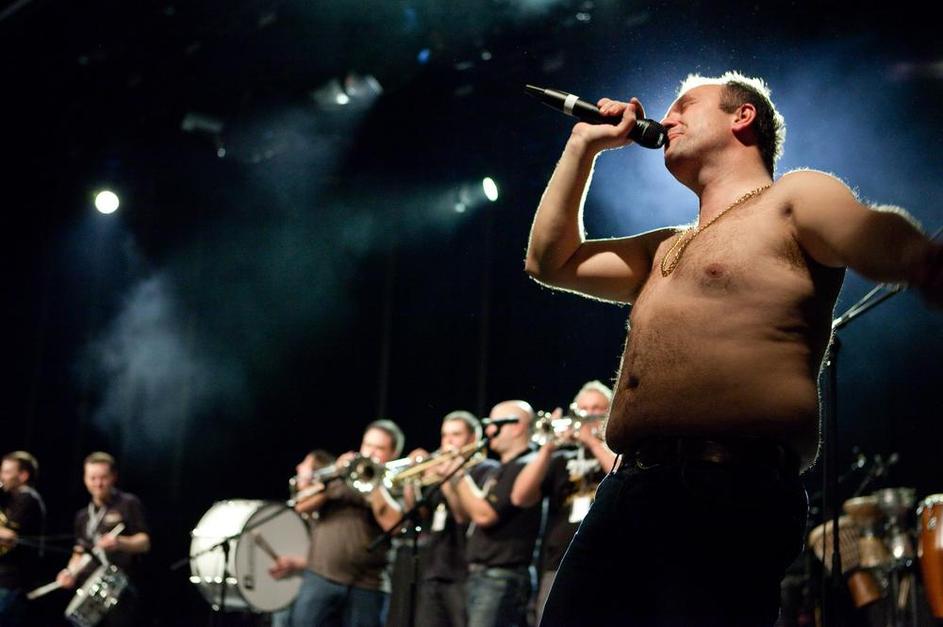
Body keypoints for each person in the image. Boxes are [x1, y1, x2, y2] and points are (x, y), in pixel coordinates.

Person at [524, 71, 942, 626]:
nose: (666, 117)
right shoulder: (664, 247)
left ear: (742, 117)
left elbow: (865, 229)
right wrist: (584, 144)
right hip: (626, 489)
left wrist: (921, 260)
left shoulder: (792, 197)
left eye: (685, 105)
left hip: (728, 485)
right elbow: (548, 262)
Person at [269, 420, 405, 627]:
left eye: (379, 448)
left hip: (368, 587)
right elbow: (301, 506)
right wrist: (335, 474)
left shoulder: (395, 485)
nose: (370, 453)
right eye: (368, 445)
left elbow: (395, 526)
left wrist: (374, 485)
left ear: (393, 453)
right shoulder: (341, 478)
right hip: (321, 578)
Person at [447, 400, 567, 627]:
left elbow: (485, 516)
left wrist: (460, 474)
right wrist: (449, 479)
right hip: (480, 575)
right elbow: (464, 516)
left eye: (494, 424)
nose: (488, 431)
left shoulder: (528, 464)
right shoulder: (501, 467)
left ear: (517, 427)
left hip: (501, 577)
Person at [527, 381, 615, 624]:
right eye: (582, 409)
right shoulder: (560, 458)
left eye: (596, 408)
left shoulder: (620, 453)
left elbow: (618, 473)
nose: (587, 415)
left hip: (606, 559)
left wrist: (594, 443)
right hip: (558, 561)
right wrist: (547, 449)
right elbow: (521, 496)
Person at [398, 410, 497, 627]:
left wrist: (448, 478)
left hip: (463, 571)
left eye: (456, 435)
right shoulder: (439, 472)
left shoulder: (486, 469)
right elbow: (418, 513)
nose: (448, 441)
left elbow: (463, 517)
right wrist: (410, 480)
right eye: (445, 435)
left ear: (473, 438)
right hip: (433, 568)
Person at [56, 452, 150, 627]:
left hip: (120, 585)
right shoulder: (83, 516)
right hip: (90, 586)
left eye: (103, 478)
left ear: (114, 477)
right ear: (85, 478)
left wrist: (119, 542)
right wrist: (70, 572)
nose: (98, 483)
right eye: (92, 478)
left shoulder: (128, 503)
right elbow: (79, 552)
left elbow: (144, 542)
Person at [271, 448, 336, 627]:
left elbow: (330, 554)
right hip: (289, 584)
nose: (298, 468)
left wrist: (298, 563)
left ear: (316, 474)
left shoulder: (327, 508)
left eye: (305, 465)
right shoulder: (297, 506)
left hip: (315, 588)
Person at [0, 451, 45, 626]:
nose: (2, 477)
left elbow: (9, 536)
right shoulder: (9, 499)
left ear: (23, 475)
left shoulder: (27, 497)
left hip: (14, 581)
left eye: (7, 472)